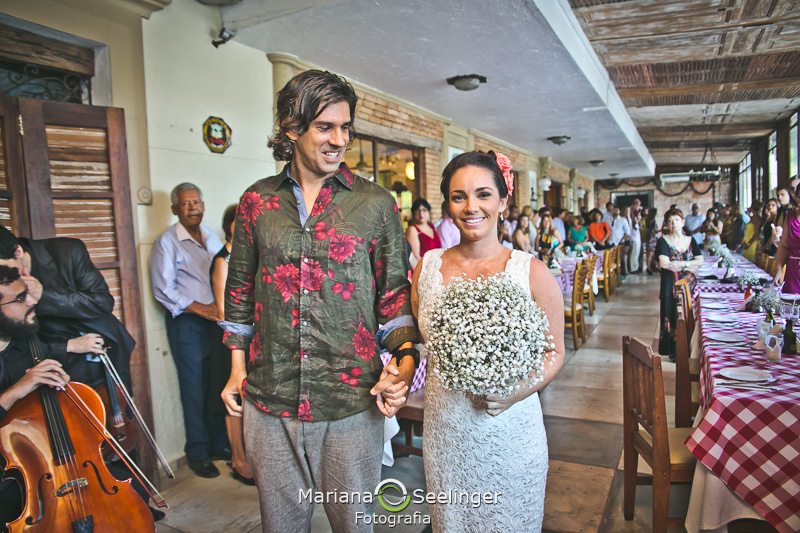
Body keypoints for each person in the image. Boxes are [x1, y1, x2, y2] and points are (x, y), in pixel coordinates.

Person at [219, 70, 420, 533]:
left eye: (345, 128)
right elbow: (240, 292)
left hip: (350, 400)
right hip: (270, 400)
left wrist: (404, 366)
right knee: (282, 525)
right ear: (291, 128)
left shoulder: (374, 204)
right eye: (325, 127)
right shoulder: (257, 203)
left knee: (353, 523)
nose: (339, 140)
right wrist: (236, 368)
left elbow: (393, 299)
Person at [411, 151, 564, 531]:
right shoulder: (427, 268)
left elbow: (554, 352)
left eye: (483, 194)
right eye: (459, 196)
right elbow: (418, 339)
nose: (471, 207)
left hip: (509, 434)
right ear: (447, 204)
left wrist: (515, 392)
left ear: (503, 201)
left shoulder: (531, 272)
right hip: (445, 435)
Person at [149, 182, 228, 479]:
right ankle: (197, 452)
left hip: (214, 320)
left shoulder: (211, 236)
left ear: (203, 205)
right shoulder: (166, 242)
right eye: (185, 203)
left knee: (216, 381)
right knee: (194, 388)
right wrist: (200, 308)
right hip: (188, 322)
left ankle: (220, 444)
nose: (192, 207)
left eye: (196, 202)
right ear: (174, 209)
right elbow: (163, 289)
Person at [0, 225, 135, 390]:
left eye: (5, 270)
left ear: (17, 252)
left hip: (97, 347)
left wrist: (44, 294)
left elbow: (102, 302)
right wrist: (67, 346)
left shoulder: (68, 250)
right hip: (48, 355)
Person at [0, 265, 72, 524]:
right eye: (20, 298)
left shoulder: (28, 343)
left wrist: (59, 383)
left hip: (42, 466)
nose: (32, 302)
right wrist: (16, 391)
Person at [209, 204, 254, 486]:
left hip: (254, 337)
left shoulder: (248, 255)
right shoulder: (222, 260)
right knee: (234, 400)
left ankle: (252, 456)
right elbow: (224, 311)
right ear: (229, 226)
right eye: (239, 221)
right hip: (232, 340)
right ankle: (238, 459)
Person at [656, 208, 703, 358]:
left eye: (676, 220)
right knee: (671, 314)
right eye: (669, 221)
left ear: (682, 222)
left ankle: (690, 350)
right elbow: (665, 263)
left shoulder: (691, 240)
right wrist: (690, 264)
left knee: (689, 315)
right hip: (670, 285)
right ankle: (674, 350)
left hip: (690, 286)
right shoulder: (663, 240)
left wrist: (682, 264)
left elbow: (700, 260)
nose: (673, 223)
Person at [774, 185, 800, 293]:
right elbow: (784, 246)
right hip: (793, 271)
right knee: (791, 305)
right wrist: (779, 270)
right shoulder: (791, 216)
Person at [406, 198, 442, 268]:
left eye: (424, 210)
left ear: (428, 212)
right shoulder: (413, 229)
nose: (421, 213)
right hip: (423, 270)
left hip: (437, 267)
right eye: (417, 211)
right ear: (413, 214)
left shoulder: (431, 226)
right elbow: (415, 257)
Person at [609, 206, 631, 279]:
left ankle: (622, 275)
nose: (615, 212)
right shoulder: (608, 220)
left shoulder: (623, 220)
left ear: (619, 211)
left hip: (619, 242)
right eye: (614, 210)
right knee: (610, 259)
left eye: (617, 210)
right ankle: (611, 275)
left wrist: (623, 239)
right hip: (610, 242)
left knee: (620, 259)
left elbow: (627, 231)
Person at [644, 207, 661, 274]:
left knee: (650, 254)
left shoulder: (648, 220)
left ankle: (651, 266)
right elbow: (653, 231)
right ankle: (648, 267)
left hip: (649, 239)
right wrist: (660, 230)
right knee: (650, 254)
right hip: (652, 239)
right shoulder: (652, 221)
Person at [628, 206, 643, 273]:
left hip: (637, 239)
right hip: (634, 239)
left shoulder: (637, 220)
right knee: (633, 254)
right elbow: (635, 228)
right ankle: (632, 268)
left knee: (636, 254)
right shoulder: (633, 220)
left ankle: (635, 267)